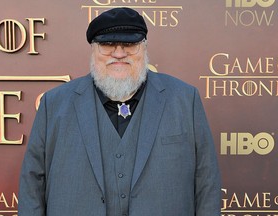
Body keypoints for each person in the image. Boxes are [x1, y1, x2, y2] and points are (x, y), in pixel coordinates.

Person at [18, 7, 221, 216]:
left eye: (129, 44)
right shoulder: (54, 104)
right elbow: (32, 183)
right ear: (93, 49)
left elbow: (206, 181)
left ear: (144, 47)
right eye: (107, 44)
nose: (119, 53)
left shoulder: (185, 100)